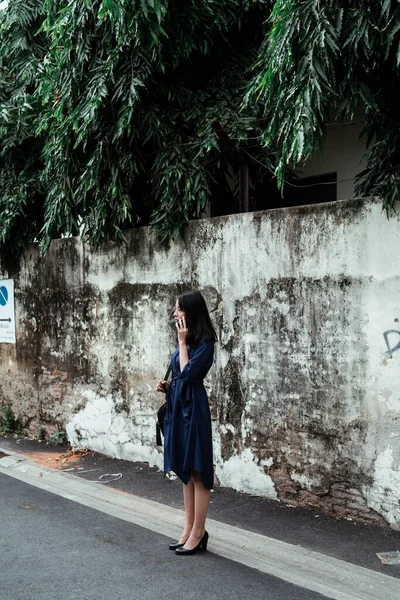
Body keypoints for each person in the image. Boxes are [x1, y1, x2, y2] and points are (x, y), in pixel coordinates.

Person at [156, 290, 217, 555]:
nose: (175, 314)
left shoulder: (205, 342)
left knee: (198, 471)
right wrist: (168, 386)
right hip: (179, 406)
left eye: (179, 309)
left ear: (190, 312)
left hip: (194, 410)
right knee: (185, 471)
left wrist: (181, 344)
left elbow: (189, 373)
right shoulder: (190, 339)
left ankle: (199, 532)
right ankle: (188, 528)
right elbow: (179, 375)